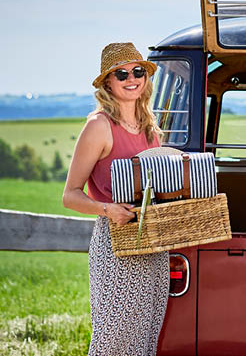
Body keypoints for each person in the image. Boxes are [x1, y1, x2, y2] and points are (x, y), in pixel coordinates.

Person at [63, 42, 167, 355]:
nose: (131, 78)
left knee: (145, 337)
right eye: (121, 73)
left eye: (138, 71)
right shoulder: (98, 126)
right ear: (108, 82)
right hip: (115, 243)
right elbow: (70, 195)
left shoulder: (151, 128)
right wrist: (108, 210)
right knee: (115, 338)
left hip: (152, 244)